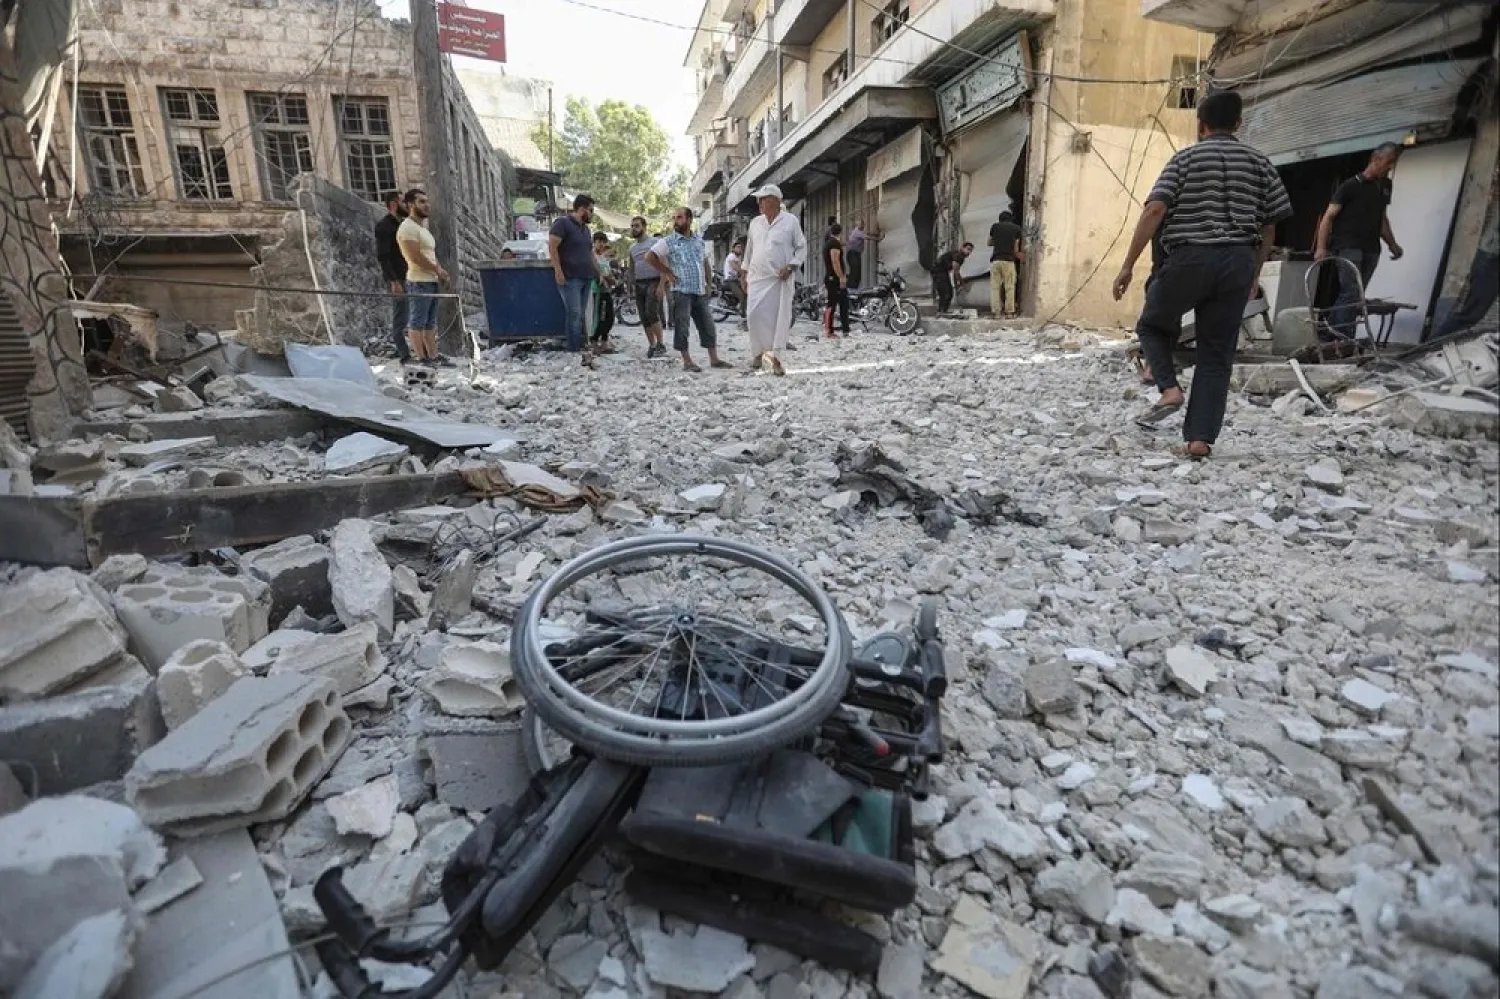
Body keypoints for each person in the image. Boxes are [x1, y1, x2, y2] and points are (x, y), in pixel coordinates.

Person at [1111, 89, 1292, 460]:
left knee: (1151, 325)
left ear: (1200, 125)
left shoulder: (1185, 160)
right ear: (1238, 123)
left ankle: (1168, 387)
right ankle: (1199, 439)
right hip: (1238, 261)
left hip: (1189, 258)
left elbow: (1154, 210)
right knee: (1216, 354)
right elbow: (1271, 226)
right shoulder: (1260, 163)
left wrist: (1128, 264)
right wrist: (1254, 272)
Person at [1314, 144, 1404, 341]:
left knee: (1355, 294)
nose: (1390, 167)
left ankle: (1330, 333)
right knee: (1351, 291)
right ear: (1375, 158)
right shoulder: (1350, 186)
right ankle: (1343, 337)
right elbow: (1328, 217)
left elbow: (1382, 218)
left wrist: (1392, 244)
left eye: (1392, 164)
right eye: (1388, 162)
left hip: (1371, 247)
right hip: (1347, 245)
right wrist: (1321, 248)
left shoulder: (1385, 186)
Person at [648, 207, 733, 373]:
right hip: (681, 291)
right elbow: (649, 257)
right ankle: (686, 360)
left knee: (708, 326)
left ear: (689, 219)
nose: (675, 221)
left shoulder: (699, 240)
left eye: (679, 217)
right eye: (674, 218)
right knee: (682, 326)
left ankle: (714, 359)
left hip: (699, 291)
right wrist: (666, 272)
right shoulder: (669, 241)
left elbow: (705, 262)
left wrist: (709, 283)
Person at [741, 185, 808, 376]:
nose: (760, 203)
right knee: (753, 316)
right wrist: (744, 273)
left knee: (780, 319)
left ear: (776, 201)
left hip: (780, 279)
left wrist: (791, 266)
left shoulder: (790, 221)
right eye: (759, 200)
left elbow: (802, 247)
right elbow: (749, 250)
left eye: (764, 199)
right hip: (757, 278)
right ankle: (758, 352)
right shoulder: (755, 223)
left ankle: (777, 360)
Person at [397, 188, 451, 366]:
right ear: (410, 204)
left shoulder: (422, 229)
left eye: (427, 201)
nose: (426, 205)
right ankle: (422, 358)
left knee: (429, 323)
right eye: (421, 201)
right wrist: (437, 270)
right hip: (418, 281)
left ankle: (434, 357)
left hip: (431, 280)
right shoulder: (407, 228)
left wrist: (441, 272)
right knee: (417, 322)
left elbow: (429, 255)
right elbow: (415, 257)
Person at [1432, 210, 1499, 340]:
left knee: (1471, 314)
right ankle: (1428, 350)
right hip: (1491, 259)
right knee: (1470, 314)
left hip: (1491, 258)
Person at [549, 195, 598, 365]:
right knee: (574, 313)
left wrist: (599, 273)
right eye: (591, 210)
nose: (592, 214)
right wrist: (558, 271)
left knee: (580, 313)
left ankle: (578, 345)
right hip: (570, 277)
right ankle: (573, 348)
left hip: (586, 277)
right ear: (582, 209)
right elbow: (553, 248)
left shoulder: (586, 229)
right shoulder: (562, 223)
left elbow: (590, 253)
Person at [374, 191, 411, 362]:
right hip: (398, 278)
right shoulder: (385, 226)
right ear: (394, 204)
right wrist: (394, 281)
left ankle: (410, 352)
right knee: (400, 317)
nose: (407, 206)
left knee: (408, 315)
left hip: (407, 275)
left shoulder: (401, 225)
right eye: (403, 202)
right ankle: (404, 355)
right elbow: (383, 256)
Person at [627, 216, 667, 358]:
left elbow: (664, 263)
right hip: (639, 283)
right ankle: (652, 344)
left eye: (636, 225)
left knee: (651, 312)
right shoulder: (632, 248)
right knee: (643, 316)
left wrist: (662, 285)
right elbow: (631, 268)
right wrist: (630, 287)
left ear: (644, 227)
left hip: (654, 281)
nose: (633, 228)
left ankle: (661, 344)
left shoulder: (655, 242)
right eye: (632, 226)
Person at [987, 210, 1023, 318]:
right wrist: (1020, 256)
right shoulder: (1016, 229)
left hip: (996, 260)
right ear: (1011, 219)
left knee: (995, 287)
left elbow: (989, 242)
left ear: (1000, 219)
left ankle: (996, 312)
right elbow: (1016, 248)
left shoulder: (995, 227)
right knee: (1010, 287)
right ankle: (1009, 312)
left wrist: (998, 241)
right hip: (1009, 261)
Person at [589, 231, 617, 362]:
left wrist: (611, 279)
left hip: (606, 290)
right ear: (594, 242)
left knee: (610, 317)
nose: (600, 244)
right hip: (596, 291)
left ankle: (605, 340)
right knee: (598, 317)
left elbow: (609, 274)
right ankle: (594, 341)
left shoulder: (604, 258)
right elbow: (594, 273)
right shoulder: (591, 256)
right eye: (598, 241)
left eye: (603, 242)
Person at [822, 222, 851, 339]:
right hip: (834, 279)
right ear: (840, 232)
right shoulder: (834, 244)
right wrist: (841, 277)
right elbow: (835, 261)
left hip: (833, 278)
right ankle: (829, 330)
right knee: (832, 304)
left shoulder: (830, 243)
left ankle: (846, 329)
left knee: (844, 303)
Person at [930, 243, 973, 314]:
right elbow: (956, 272)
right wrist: (963, 284)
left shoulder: (959, 257)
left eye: (970, 251)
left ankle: (943, 311)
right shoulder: (958, 256)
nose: (969, 252)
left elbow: (955, 273)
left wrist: (956, 286)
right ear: (962, 247)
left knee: (948, 292)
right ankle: (941, 311)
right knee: (946, 292)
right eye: (968, 249)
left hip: (942, 271)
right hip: (938, 271)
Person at [846, 219, 879, 289]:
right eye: (860, 224)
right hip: (852, 254)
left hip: (855, 254)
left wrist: (875, 233)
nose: (861, 225)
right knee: (855, 271)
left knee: (857, 273)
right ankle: (850, 288)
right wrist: (879, 238)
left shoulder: (860, 231)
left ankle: (853, 287)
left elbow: (867, 233)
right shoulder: (857, 232)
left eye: (862, 224)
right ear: (857, 225)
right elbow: (867, 237)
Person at [722, 238, 747, 323]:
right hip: (730, 281)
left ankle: (742, 309)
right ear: (733, 249)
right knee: (742, 295)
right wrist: (743, 272)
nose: (740, 249)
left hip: (735, 280)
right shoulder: (731, 256)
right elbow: (736, 268)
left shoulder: (738, 258)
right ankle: (742, 313)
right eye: (738, 247)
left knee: (746, 292)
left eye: (741, 247)